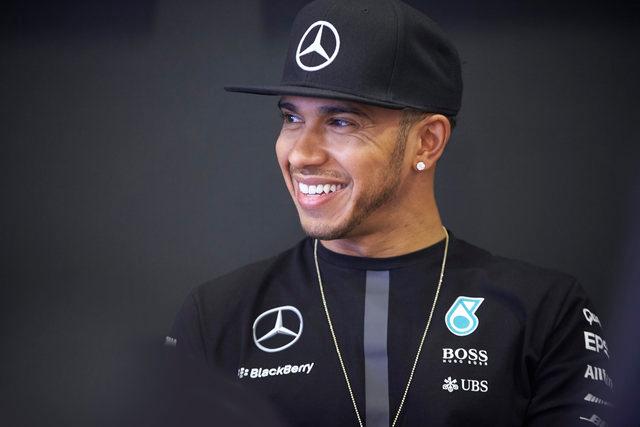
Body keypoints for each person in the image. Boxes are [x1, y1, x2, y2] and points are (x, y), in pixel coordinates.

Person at [169, 1, 613, 425]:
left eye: (341, 121)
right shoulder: (217, 317)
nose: (301, 153)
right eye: (291, 118)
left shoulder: (546, 313)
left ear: (427, 142)